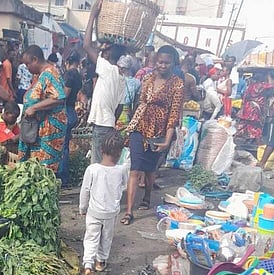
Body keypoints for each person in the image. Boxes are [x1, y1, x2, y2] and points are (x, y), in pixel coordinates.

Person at [120, 45, 184, 226]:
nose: (163, 65)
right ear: (156, 61)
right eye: (160, 62)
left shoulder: (177, 84)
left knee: (149, 169)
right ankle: (129, 211)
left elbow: (174, 115)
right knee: (135, 168)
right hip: (139, 126)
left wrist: (166, 139)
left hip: (159, 130)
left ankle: (147, 196)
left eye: (167, 63)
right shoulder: (147, 78)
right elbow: (140, 102)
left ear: (173, 63)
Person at [79, 131, 127, 275]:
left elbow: (85, 190)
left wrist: (83, 208)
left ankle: (88, 267)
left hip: (94, 212)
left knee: (91, 238)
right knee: (106, 238)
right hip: (111, 212)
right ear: (119, 153)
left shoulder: (92, 169)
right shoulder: (121, 170)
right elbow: (124, 186)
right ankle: (100, 262)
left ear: (101, 150)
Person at [83, 0, 127, 164]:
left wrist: (93, 15)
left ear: (107, 54)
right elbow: (120, 107)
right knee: (106, 164)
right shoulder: (121, 77)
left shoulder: (106, 68)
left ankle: (94, 190)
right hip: (108, 124)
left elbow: (86, 45)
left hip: (102, 125)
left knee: (96, 166)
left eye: (104, 50)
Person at [18, 45, 66, 172]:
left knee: (44, 170)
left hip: (49, 131)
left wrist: (34, 107)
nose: (27, 68)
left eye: (28, 64)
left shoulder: (50, 73)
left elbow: (58, 97)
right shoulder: (40, 75)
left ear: (35, 59)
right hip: (38, 129)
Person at [58, 52, 82, 187]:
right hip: (72, 111)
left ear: (67, 62)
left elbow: (64, 95)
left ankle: (62, 176)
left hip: (66, 110)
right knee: (65, 145)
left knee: (61, 146)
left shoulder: (69, 74)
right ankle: (64, 177)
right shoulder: (78, 75)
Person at [237, 71, 274, 142]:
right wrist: (268, 75)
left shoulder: (252, 85)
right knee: (256, 129)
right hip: (254, 110)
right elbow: (272, 86)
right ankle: (258, 147)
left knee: (249, 127)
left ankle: (246, 142)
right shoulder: (259, 85)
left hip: (249, 108)